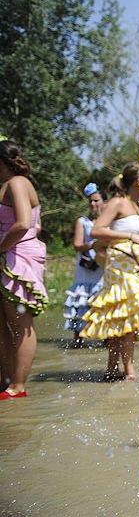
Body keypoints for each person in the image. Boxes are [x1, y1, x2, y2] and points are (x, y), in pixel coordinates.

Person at [80, 162, 139, 382]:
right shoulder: (118, 202)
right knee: (126, 316)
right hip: (120, 266)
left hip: (138, 266)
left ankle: (112, 367)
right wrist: (130, 237)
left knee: (124, 318)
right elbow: (96, 231)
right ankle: (128, 369)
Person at [0, 139, 47, 400]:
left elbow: (21, 223)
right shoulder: (4, 185)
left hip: (18, 256)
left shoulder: (18, 183)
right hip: (5, 254)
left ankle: (18, 386)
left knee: (19, 322)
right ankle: (6, 382)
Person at [63, 183, 106, 346]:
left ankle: (106, 340)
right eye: (90, 201)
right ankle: (78, 341)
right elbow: (77, 244)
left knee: (104, 302)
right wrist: (94, 245)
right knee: (81, 301)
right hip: (86, 267)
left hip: (104, 266)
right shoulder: (82, 221)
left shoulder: (108, 222)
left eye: (96, 200)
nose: (93, 204)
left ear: (103, 202)